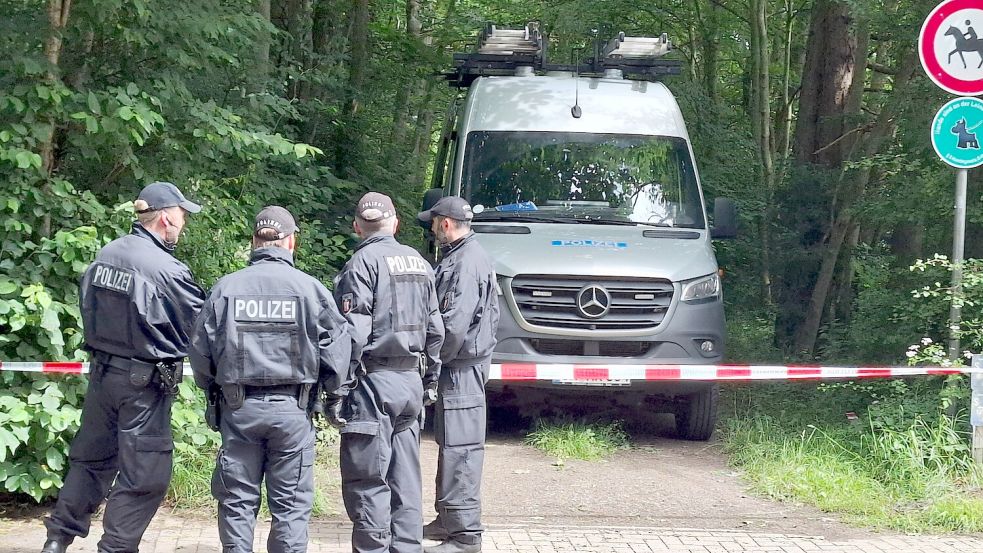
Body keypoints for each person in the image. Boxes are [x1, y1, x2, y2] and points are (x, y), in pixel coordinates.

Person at [41, 182, 205, 553]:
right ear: (165, 216)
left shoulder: (107, 253)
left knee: (90, 463)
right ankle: (115, 547)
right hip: (143, 387)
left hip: (102, 379)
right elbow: (202, 328)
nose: (184, 222)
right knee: (145, 475)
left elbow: (87, 309)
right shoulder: (166, 269)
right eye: (182, 214)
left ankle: (57, 539)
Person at [188, 206, 352, 553]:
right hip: (293, 410)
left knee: (237, 500)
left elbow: (200, 351)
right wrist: (334, 396)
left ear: (254, 241)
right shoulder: (310, 290)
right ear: (291, 242)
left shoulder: (226, 288)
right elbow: (337, 349)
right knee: (291, 506)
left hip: (239, 409)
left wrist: (212, 391)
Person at [331, 192, 444, 553]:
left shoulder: (361, 264)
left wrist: (340, 388)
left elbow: (354, 333)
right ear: (395, 223)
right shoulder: (420, 263)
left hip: (372, 384)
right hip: (411, 382)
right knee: (406, 477)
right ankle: (408, 547)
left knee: (367, 478)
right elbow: (436, 330)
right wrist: (430, 381)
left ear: (356, 227)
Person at [417, 197, 500, 553]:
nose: (432, 229)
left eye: (433, 223)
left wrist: (429, 367)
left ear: (445, 224)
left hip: (461, 369)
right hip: (461, 367)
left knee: (461, 451)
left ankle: (465, 537)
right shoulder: (465, 255)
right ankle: (448, 520)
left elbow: (452, 327)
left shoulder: (465, 264)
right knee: (451, 447)